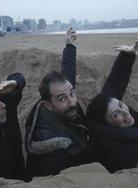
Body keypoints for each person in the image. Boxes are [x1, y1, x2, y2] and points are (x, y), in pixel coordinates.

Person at [86, 41, 138, 173]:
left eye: (120, 105)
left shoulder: (98, 119)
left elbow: (115, 84)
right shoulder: (128, 153)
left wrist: (127, 56)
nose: (125, 112)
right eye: (116, 115)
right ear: (107, 124)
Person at [25, 28, 91, 177]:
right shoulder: (51, 145)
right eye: (62, 98)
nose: (72, 102)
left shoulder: (59, 105)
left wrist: (69, 46)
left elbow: (68, 74)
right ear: (48, 105)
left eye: (72, 93)